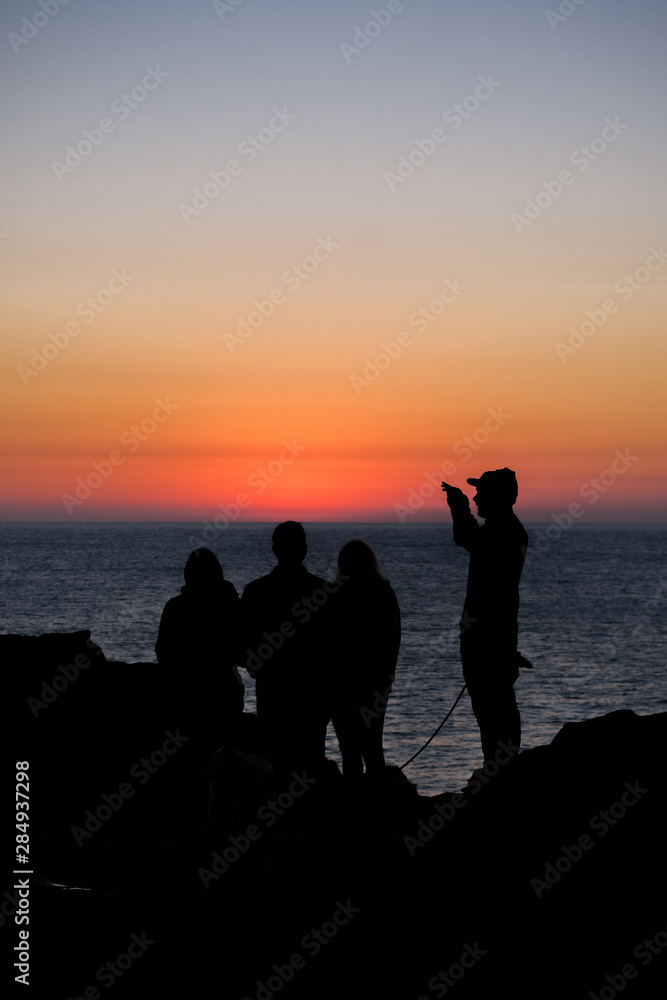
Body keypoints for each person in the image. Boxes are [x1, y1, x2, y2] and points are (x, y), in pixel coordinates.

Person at [441, 468, 529, 764]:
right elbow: (469, 538)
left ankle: (500, 774)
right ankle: (499, 771)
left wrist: (459, 506)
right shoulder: (505, 529)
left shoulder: (503, 532)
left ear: (499, 497)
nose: (477, 497)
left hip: (488, 643)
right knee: (493, 711)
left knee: (494, 712)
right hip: (493, 640)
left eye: (482, 492)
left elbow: (468, 537)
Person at [240, 521, 331, 772]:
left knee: (274, 764)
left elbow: (241, 644)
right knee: (311, 765)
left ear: (274, 549)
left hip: (272, 691)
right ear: (304, 549)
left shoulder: (255, 591)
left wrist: (256, 667)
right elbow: (337, 646)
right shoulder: (324, 591)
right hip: (313, 693)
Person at [155, 547, 244, 753]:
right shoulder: (229, 604)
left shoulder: (175, 607)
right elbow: (241, 648)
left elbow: (163, 652)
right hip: (224, 692)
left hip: (184, 695)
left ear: (188, 575)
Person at [329, 540, 400, 778]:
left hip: (343, 686)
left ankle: (353, 804)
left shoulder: (337, 597)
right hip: (377, 685)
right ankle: (376, 805)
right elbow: (390, 642)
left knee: (349, 750)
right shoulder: (385, 595)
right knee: (372, 747)